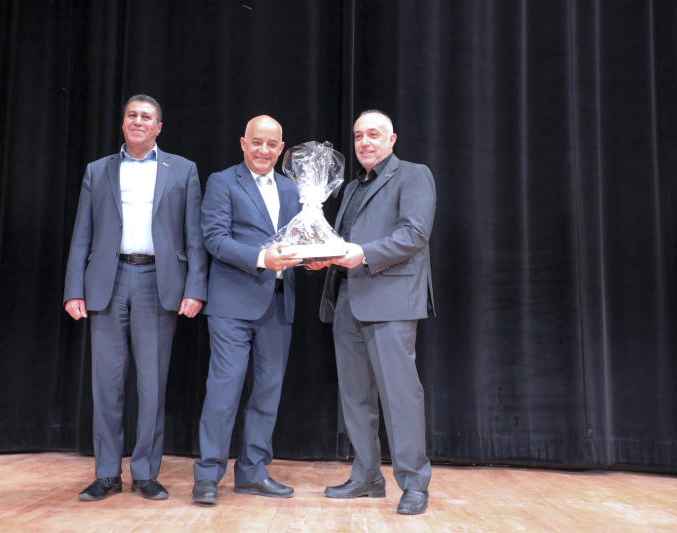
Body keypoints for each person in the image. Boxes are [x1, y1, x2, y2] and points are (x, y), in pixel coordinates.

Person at [63, 94, 207, 501]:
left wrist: (195, 288)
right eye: (132, 115)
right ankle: (107, 473)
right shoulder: (98, 170)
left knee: (152, 385)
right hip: (108, 282)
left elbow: (194, 237)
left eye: (146, 116)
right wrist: (74, 290)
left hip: (158, 283)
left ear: (158, 127)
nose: (138, 121)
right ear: (123, 123)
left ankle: (145, 472)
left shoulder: (183, 170)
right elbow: (82, 235)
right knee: (106, 386)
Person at [307, 110, 436, 515]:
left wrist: (362, 253)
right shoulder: (350, 187)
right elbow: (344, 243)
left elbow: (415, 234)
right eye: (358, 135)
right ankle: (367, 476)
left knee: (400, 396)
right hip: (348, 299)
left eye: (373, 135)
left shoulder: (413, 175)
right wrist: (321, 255)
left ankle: (414, 483)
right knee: (355, 397)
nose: (364, 142)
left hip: (391, 301)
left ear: (391, 139)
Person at [191, 116, 302, 505]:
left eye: (272, 145)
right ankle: (208, 475)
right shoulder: (223, 182)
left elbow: (299, 241)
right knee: (224, 392)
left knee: (267, 393)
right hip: (232, 305)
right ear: (243, 143)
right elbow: (214, 238)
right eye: (257, 142)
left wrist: (314, 257)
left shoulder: (292, 189)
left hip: (278, 304)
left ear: (281, 149)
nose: (263, 150)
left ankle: (253, 472)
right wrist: (261, 259)